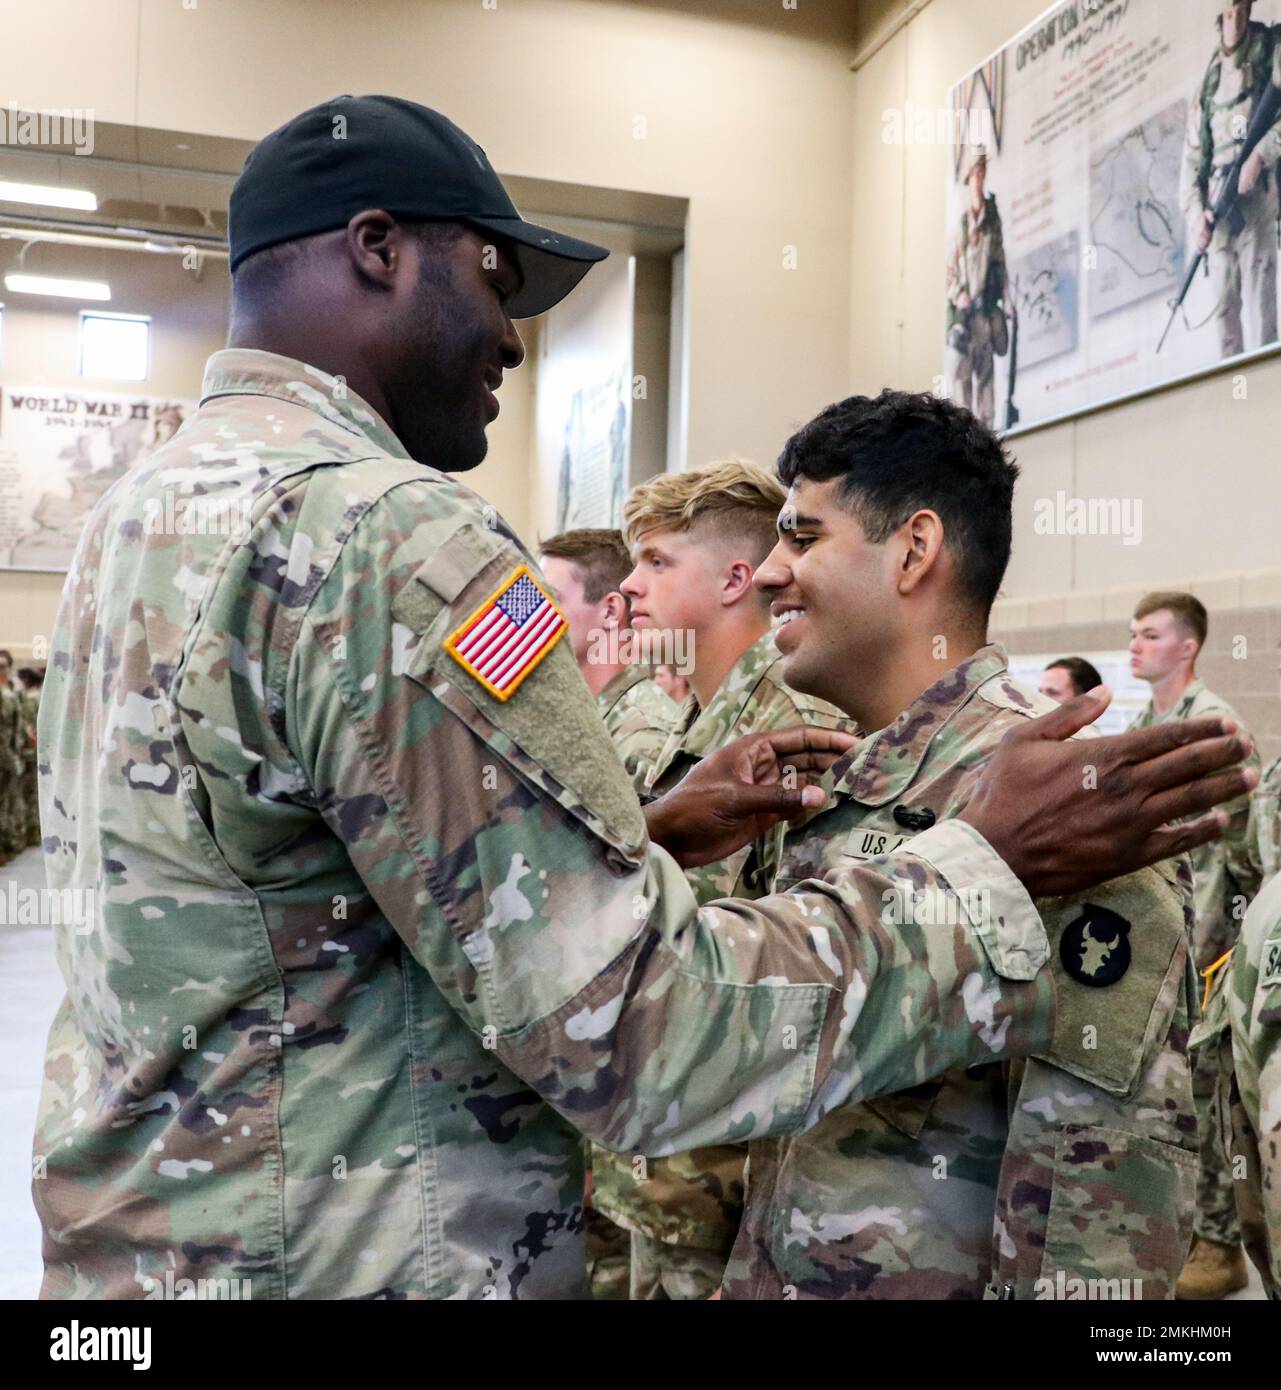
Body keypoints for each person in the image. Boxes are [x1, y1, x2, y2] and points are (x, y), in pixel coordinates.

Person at [32, 94, 1255, 1301]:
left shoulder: (142, 518)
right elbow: (632, 1032)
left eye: (802, 535)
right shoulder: (387, 532)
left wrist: (653, 834)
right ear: (379, 249)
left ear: (917, 550)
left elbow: (313, 905)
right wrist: (987, 865)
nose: (511, 338)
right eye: (496, 278)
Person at [718, 391, 1200, 1300]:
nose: (772, 570)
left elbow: (1097, 1225)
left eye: (803, 536)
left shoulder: (1058, 798)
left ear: (913, 549)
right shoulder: (841, 777)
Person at [587, 460, 852, 1302]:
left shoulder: (795, 737)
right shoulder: (700, 731)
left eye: (657, 562)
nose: (629, 586)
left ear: (738, 577)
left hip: (730, 1187)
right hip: (656, 1164)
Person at [537, 526, 676, 1298]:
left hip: (632, 1129)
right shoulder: (578, 723)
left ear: (610, 613)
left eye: (547, 597)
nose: (519, 611)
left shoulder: (639, 732)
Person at [1129, 591, 1262, 1299]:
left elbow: (1246, 856)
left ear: (1187, 647)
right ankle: (1181, 1226)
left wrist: (1227, 942)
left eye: (1149, 636)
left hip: (1209, 940)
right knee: (1165, 1092)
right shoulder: (1145, 723)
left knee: (1204, 1088)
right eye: (1131, 634)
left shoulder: (1212, 728)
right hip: (1161, 938)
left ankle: (1218, 1245)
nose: (1134, 647)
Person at [538, 527, 677, 792]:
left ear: (611, 611)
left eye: (549, 598)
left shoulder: (644, 737)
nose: (535, 614)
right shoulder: (581, 715)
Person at [1179, 0, 1281, 359]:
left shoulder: (1271, 50)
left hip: (1257, 205)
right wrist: (1197, 219)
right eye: (1228, 12)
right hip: (1220, 215)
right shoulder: (1208, 83)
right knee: (1226, 331)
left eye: (1241, 9)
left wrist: (1260, 154)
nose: (1235, 19)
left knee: (1262, 321)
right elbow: (1190, 167)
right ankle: (1233, 405)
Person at [946, 147, 1008, 428]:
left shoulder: (993, 221)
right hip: (966, 316)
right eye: (975, 174)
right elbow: (951, 273)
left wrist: (1008, 302)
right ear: (969, 179)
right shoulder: (960, 227)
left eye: (983, 173)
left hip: (985, 314)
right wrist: (958, 294)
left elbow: (999, 263)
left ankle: (986, 447)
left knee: (985, 383)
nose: (979, 179)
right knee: (962, 387)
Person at [0, 651, 25, 864]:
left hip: (7, 757)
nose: (2, 670)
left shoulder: (13, 693)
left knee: (8, 801)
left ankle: (7, 845)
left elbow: (18, 727)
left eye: (4, 666)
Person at [16, 667, 42, 848]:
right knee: (32, 793)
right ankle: (32, 833)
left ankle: (27, 833)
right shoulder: (37, 696)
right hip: (33, 750)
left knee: (25, 793)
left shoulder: (30, 699)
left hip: (26, 749)